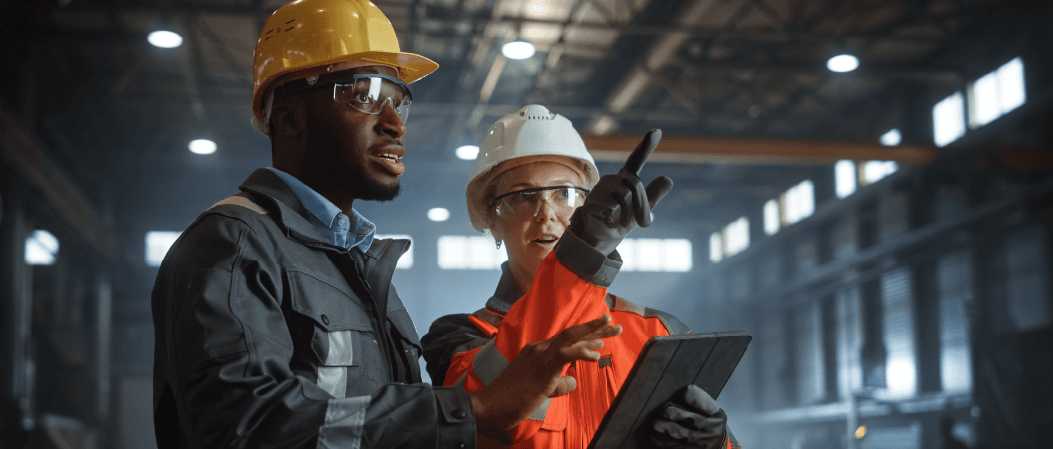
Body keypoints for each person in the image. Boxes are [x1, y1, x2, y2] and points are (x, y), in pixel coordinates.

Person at [150, 2, 621, 448]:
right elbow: (244, 426)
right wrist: (473, 410)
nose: (395, 123)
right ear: (290, 118)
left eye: (399, 99)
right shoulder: (234, 244)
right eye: (366, 96)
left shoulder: (354, 267)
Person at [421, 105, 739, 449]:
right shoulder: (459, 338)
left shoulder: (660, 332)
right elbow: (485, 418)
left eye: (564, 194)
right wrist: (583, 252)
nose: (546, 214)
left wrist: (716, 442)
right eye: (523, 196)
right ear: (491, 219)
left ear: (589, 207)